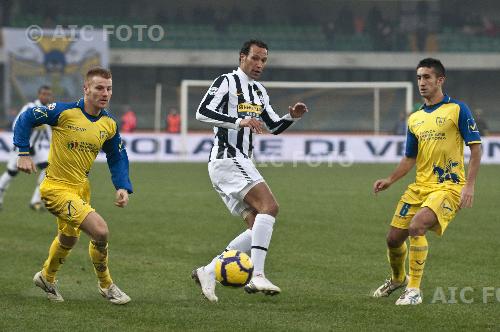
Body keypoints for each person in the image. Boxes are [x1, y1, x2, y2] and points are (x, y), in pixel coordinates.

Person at [193, 39, 308, 302]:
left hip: (238, 162)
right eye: (255, 58)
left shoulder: (259, 92)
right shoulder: (226, 82)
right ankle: (257, 275)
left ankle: (208, 271)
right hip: (228, 158)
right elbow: (201, 111)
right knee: (270, 207)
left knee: (257, 224)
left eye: (264, 60)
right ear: (242, 57)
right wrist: (238, 121)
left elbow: (273, 126)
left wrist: (291, 117)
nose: (259, 64)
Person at [14, 68, 133, 304]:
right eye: (99, 88)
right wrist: (23, 152)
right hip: (56, 188)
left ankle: (46, 277)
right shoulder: (64, 111)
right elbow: (27, 117)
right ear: (86, 88)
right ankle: (106, 285)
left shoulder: (109, 124)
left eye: (109, 89)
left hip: (81, 189)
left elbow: (117, 156)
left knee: (69, 239)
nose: (105, 93)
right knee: (100, 230)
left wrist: (122, 185)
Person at [372, 58, 482, 305]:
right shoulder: (415, 118)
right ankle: (398, 278)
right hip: (419, 187)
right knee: (392, 239)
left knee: (417, 226)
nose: (422, 82)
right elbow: (410, 157)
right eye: (419, 77)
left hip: (448, 187)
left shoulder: (458, 109)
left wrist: (470, 185)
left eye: (427, 77)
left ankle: (414, 290)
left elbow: (476, 149)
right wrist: (390, 180)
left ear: (440, 80)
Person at [0, 85, 53, 210]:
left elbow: (50, 131)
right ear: (39, 94)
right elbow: (16, 124)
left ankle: (35, 201)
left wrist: (54, 145)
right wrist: (29, 128)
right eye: (44, 93)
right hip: (22, 148)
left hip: (37, 149)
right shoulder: (30, 107)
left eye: (48, 94)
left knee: (49, 169)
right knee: (11, 173)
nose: (46, 96)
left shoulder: (49, 110)